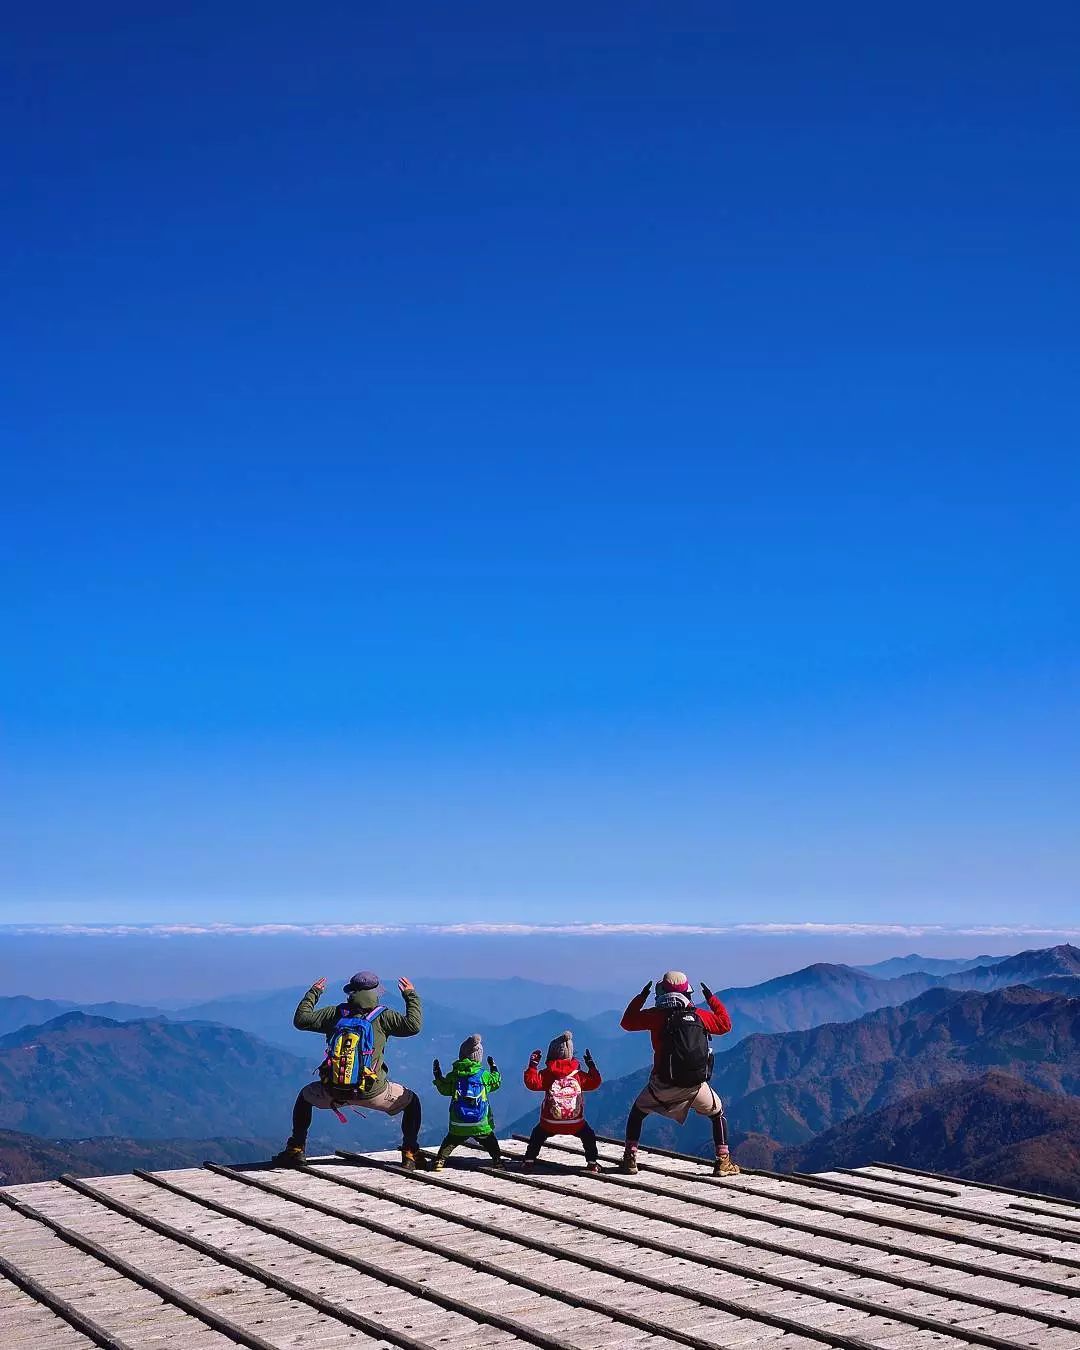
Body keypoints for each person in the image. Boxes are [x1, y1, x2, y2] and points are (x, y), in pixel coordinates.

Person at [272, 970, 426, 1169]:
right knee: (412, 1102)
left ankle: (296, 1149)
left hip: (334, 1090)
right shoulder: (384, 1017)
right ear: (376, 992)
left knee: (305, 1097)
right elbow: (413, 1026)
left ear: (351, 992)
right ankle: (410, 1153)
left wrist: (314, 993)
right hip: (372, 1091)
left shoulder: (334, 1014)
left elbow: (301, 1020)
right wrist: (410, 995)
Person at [618, 970, 739, 1177]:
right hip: (695, 1086)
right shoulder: (700, 1016)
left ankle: (630, 1158)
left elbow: (627, 1022)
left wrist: (641, 996)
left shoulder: (657, 1016)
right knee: (717, 1114)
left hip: (661, 1085)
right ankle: (723, 1161)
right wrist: (711, 998)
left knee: (637, 1113)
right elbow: (725, 1024)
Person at [521, 1030, 602, 1172]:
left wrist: (533, 1066)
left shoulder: (547, 1074)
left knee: (537, 1135)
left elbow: (532, 1083)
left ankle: (529, 1160)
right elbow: (595, 1082)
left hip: (550, 1122)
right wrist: (592, 1066)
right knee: (588, 1136)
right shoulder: (578, 1076)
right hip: (576, 1123)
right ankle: (592, 1163)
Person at [431, 1034, 504, 1170]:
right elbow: (496, 1082)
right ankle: (497, 1161)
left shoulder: (454, 1076)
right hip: (481, 1122)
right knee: (490, 1141)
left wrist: (438, 1076)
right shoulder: (484, 1076)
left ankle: (439, 1161)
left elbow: (444, 1089)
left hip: (459, 1123)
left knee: (450, 1141)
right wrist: (494, 1067)